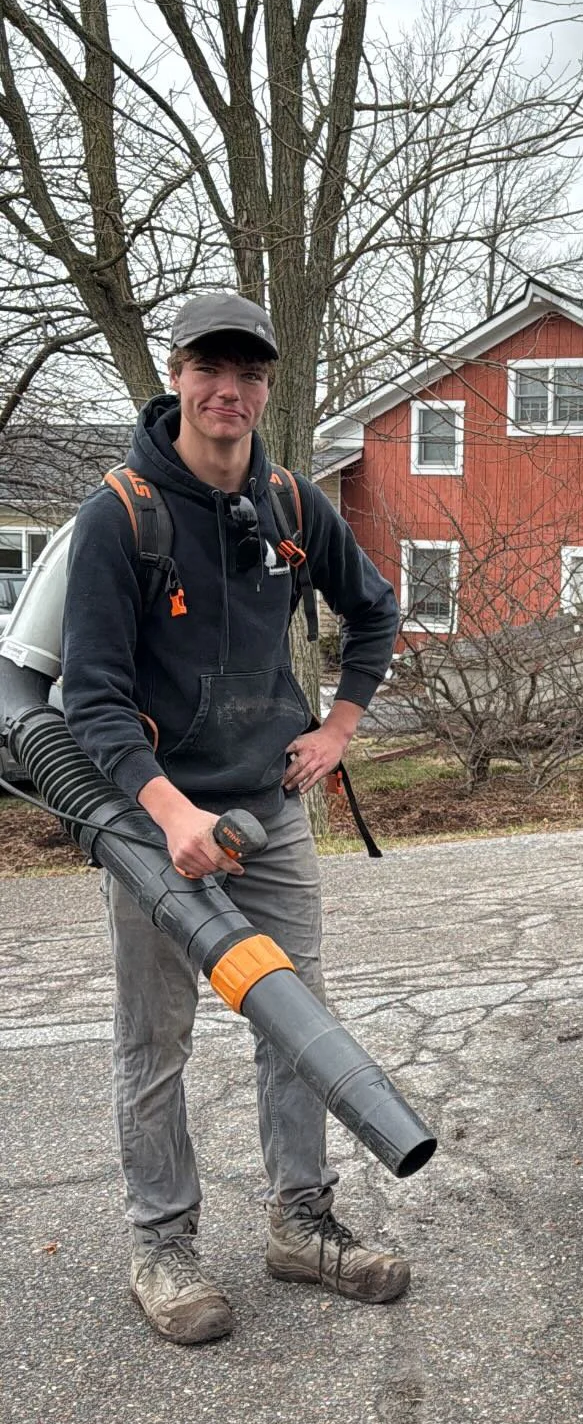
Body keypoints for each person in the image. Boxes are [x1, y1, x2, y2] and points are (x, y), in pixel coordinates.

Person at [62, 291, 405, 1346]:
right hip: (155, 826)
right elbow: (93, 700)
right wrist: (166, 814)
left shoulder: (295, 507)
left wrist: (339, 726)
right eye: (211, 370)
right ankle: (161, 1244)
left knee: (294, 1022)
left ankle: (301, 1221)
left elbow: (377, 609)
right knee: (154, 1042)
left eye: (248, 374)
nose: (230, 392)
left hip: (273, 807)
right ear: (176, 376)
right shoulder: (121, 516)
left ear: (266, 387)